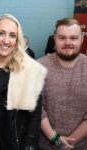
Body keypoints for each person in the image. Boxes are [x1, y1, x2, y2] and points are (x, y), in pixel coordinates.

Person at [0, 14, 47, 150]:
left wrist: (28, 146)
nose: (6, 40)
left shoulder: (27, 70)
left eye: (12, 35)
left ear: (17, 40)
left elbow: (34, 115)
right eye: (1, 33)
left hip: (14, 144)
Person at [38, 18, 87, 150]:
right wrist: (55, 138)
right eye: (62, 37)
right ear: (55, 39)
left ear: (82, 39)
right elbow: (36, 109)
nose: (67, 42)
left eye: (73, 38)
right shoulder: (38, 67)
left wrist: (68, 143)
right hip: (45, 145)